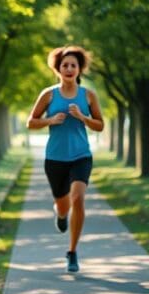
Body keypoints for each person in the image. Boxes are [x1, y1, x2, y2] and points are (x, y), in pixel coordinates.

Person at [26, 45, 104, 273]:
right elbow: (31, 122)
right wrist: (50, 121)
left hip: (81, 156)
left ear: (79, 69)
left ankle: (72, 252)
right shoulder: (49, 94)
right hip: (55, 159)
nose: (69, 68)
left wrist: (83, 117)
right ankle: (61, 214)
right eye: (65, 65)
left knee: (78, 198)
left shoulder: (88, 95)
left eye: (73, 65)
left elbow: (100, 125)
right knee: (63, 204)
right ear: (58, 69)